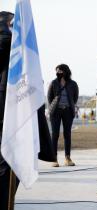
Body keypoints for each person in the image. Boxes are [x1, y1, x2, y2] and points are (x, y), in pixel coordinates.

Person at [0, 11, 18, 210]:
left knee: (14, 168)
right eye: (13, 23)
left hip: (13, 113)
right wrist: (10, 32)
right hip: (3, 115)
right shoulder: (5, 41)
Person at [47, 64, 79, 167]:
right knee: (55, 135)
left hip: (68, 111)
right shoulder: (53, 83)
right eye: (57, 71)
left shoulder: (73, 84)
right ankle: (54, 159)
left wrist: (69, 106)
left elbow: (75, 97)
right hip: (55, 111)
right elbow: (49, 98)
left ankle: (67, 158)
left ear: (65, 71)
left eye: (60, 71)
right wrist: (54, 107)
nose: (58, 73)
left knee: (67, 134)